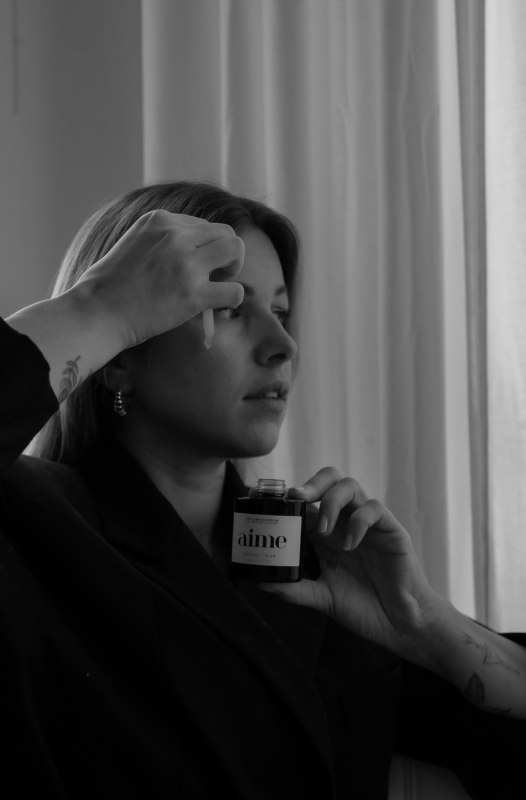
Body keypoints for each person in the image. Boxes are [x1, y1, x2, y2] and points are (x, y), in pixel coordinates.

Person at [1, 181, 525, 800]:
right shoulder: (34, 531)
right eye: (230, 308)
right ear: (120, 356)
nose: (284, 347)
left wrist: (424, 624)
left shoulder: (323, 573)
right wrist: (96, 308)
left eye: (281, 311)